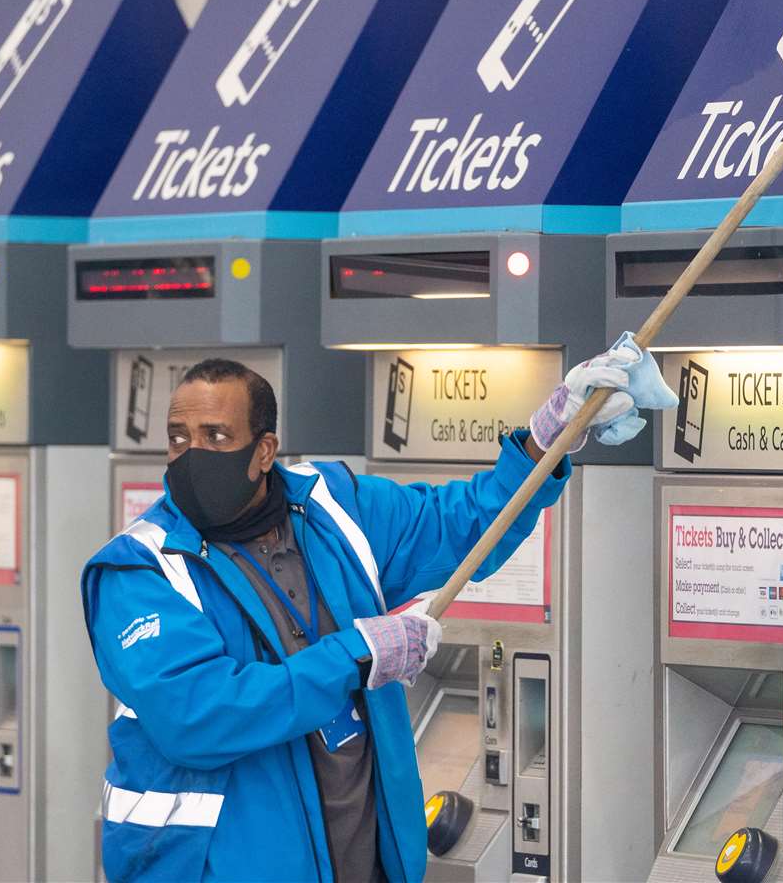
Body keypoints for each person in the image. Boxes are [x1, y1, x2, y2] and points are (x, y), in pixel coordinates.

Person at [81, 334, 675, 882]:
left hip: (365, 861)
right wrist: (360, 653)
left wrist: (543, 442)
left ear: (264, 452)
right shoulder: (139, 570)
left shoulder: (332, 508)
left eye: (215, 437)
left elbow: (461, 523)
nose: (190, 456)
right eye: (178, 438)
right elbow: (199, 716)